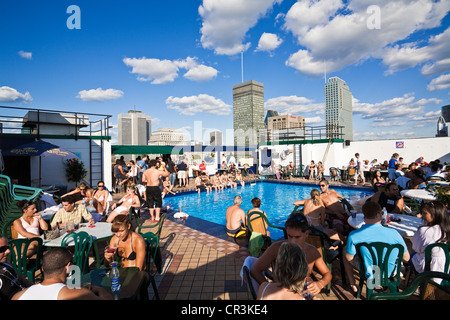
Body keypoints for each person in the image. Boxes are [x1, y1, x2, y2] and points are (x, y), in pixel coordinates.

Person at [250, 213, 332, 297]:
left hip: (301, 295)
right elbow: (255, 270)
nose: (292, 241)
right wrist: (269, 288)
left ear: (306, 234)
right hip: (279, 294)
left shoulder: (312, 251)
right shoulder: (276, 248)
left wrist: (320, 284)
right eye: (289, 236)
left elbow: (327, 273)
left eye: (297, 237)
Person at [343, 201, 410, 293]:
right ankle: (380, 284)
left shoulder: (354, 235)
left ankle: (352, 283)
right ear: (378, 215)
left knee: (345, 251)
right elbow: (406, 258)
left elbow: (349, 258)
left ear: (364, 215)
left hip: (368, 271)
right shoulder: (394, 233)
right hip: (390, 272)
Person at [13, 247, 112, 300]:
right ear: (68, 267)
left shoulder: (18, 296)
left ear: (43, 269)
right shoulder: (77, 294)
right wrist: (100, 290)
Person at [410, 201, 450, 275]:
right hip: (445, 266)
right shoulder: (446, 229)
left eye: (425, 213)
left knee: (411, 254)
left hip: (427, 268)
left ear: (435, 214)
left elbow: (415, 248)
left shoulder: (424, 230)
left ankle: (414, 280)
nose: (422, 215)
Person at [0, 236, 33, 300]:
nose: (8, 251)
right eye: (2, 249)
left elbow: (20, 279)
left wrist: (36, 288)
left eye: (7, 247)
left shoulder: (5, 263)